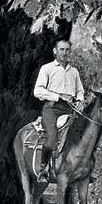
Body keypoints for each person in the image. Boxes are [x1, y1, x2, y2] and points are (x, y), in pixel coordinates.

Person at [33, 40, 85, 183]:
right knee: (52, 137)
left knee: (82, 135)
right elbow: (38, 91)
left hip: (70, 109)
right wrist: (58, 96)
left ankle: (81, 169)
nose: (64, 53)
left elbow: (80, 91)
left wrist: (80, 100)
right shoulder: (47, 68)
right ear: (55, 51)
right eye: (61, 49)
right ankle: (43, 169)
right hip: (52, 108)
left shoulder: (74, 72)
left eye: (67, 50)